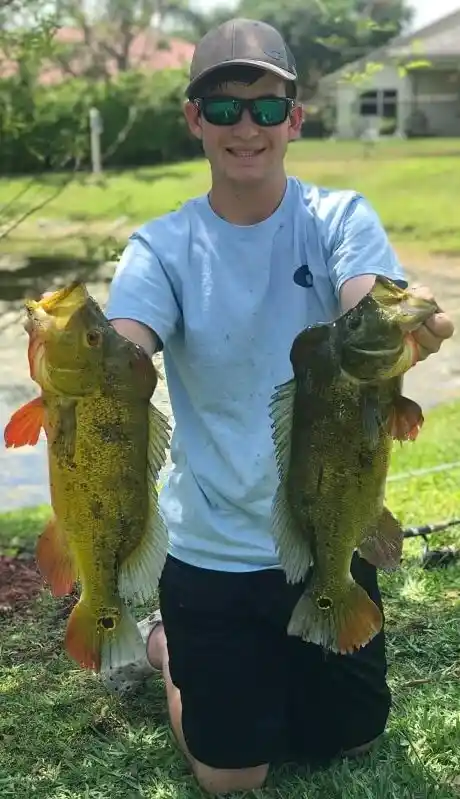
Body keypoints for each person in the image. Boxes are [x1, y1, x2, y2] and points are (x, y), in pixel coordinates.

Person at [102, 17, 454, 795]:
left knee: (350, 741)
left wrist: (400, 326)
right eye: (224, 108)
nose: (246, 127)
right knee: (234, 778)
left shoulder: (338, 219)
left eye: (266, 107)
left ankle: (257, 667)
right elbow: (125, 347)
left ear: (295, 118)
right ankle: (171, 646)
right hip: (212, 552)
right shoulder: (160, 248)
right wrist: (90, 356)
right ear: (196, 119)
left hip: (328, 530)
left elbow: (366, 295)